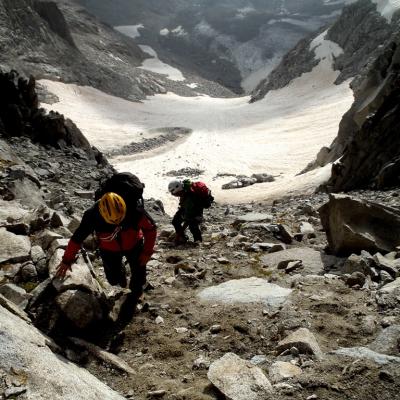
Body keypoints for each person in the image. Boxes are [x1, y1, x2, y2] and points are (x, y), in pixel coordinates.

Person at [56, 192, 157, 303]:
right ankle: (121, 274)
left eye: (120, 218)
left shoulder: (134, 209)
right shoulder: (92, 215)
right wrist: (66, 260)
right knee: (113, 280)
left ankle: (136, 292)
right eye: (113, 221)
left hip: (134, 244)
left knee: (139, 272)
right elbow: (77, 238)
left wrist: (147, 252)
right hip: (109, 249)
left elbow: (150, 229)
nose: (117, 222)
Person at [168, 179, 212, 244]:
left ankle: (197, 241)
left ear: (178, 190)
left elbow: (189, 213)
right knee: (176, 221)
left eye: (175, 193)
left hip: (196, 210)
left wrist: (185, 217)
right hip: (189, 209)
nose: (174, 195)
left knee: (192, 225)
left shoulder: (190, 195)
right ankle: (183, 238)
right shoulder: (185, 191)